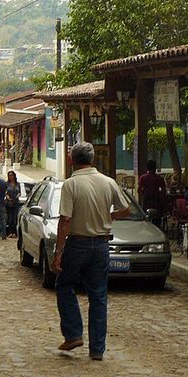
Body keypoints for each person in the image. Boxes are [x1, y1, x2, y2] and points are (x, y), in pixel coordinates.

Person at [51, 142, 130, 361]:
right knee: (98, 296)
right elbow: (125, 209)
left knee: (65, 285)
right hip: (102, 244)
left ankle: (74, 333)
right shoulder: (108, 182)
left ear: (71, 160)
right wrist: (108, 217)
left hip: (78, 243)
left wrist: (58, 251)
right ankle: (97, 349)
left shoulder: (71, 184)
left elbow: (65, 219)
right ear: (92, 159)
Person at [138, 160, 166, 227]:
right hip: (156, 202)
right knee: (157, 222)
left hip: (146, 201)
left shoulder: (143, 178)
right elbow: (163, 191)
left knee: (146, 221)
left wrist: (144, 192)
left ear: (147, 168)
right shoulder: (159, 179)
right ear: (155, 168)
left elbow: (139, 190)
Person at [4, 170, 20, 239]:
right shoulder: (7, 184)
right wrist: (8, 197)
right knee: (10, 218)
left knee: (15, 218)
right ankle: (10, 232)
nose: (11, 177)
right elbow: (5, 192)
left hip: (16, 202)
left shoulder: (17, 184)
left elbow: (19, 192)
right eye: (9, 176)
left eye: (12, 175)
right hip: (9, 203)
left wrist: (17, 196)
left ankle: (15, 233)